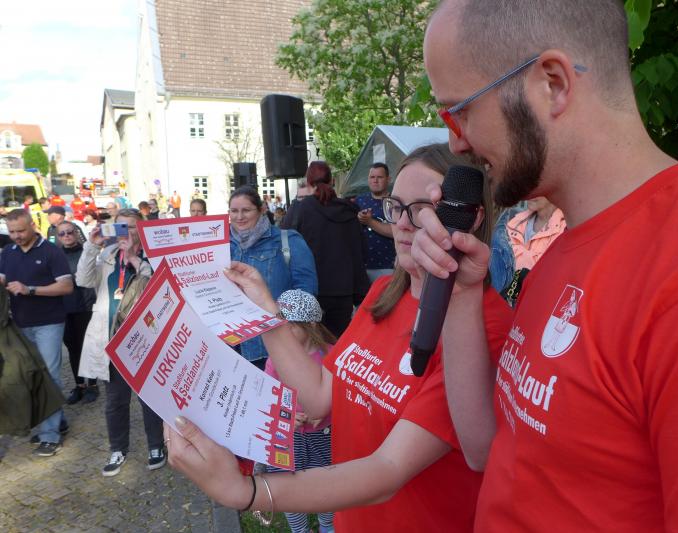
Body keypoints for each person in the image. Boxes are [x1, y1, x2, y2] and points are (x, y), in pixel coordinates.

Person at [411, 1, 678, 531]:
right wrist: (461, 295)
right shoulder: (566, 248)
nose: (455, 142)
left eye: (459, 112)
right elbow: (493, 453)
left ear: (553, 83)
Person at [165, 144, 513, 531]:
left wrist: (247, 491)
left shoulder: (484, 326)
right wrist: (265, 312)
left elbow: (387, 469)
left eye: (422, 210)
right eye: (396, 206)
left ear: (469, 217)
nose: (402, 223)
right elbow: (319, 394)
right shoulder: (383, 294)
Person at [76, 208, 165, 476]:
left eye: (131, 226)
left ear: (142, 229)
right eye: (120, 227)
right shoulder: (107, 256)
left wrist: (136, 259)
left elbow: (156, 288)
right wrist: (91, 246)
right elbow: (83, 280)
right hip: (112, 338)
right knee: (115, 400)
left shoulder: (152, 257)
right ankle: (117, 448)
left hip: (144, 338)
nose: (125, 232)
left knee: (150, 398)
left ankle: (156, 446)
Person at [0, 209, 74, 457]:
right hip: (19, 325)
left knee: (49, 376)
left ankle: (50, 436)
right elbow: (2, 279)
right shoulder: (8, 252)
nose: (17, 236)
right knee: (30, 376)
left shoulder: (51, 251)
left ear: (32, 225)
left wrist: (30, 289)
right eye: (12, 232)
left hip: (48, 323)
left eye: (21, 230)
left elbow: (66, 286)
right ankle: (57, 421)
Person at [263, 289, 336, 533]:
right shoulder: (276, 359)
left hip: (323, 437)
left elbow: (340, 394)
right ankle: (299, 530)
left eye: (290, 326)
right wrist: (285, 417)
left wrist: (324, 411)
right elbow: (268, 396)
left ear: (311, 324)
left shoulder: (331, 355)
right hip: (286, 439)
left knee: (326, 485)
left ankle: (327, 525)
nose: (282, 333)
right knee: (287, 489)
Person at [229, 186, 318, 370]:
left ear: (261, 209)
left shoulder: (288, 240)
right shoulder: (222, 244)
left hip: (272, 344)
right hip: (232, 344)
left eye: (246, 210)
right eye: (234, 211)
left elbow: (306, 293)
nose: (239, 216)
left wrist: (289, 327)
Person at [282, 161, 370, 337]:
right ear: (332, 181)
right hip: (344, 290)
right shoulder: (349, 210)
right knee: (338, 343)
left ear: (309, 182)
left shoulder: (302, 209)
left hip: (313, 289)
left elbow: (285, 243)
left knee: (312, 345)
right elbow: (360, 250)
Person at [56, 221, 98, 404]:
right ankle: (79, 384)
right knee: (73, 347)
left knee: (88, 346)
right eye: (62, 233)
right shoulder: (56, 255)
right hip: (65, 306)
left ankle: (92, 384)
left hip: (86, 304)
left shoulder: (86, 251)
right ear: (58, 237)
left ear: (76, 232)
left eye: (69, 232)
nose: (66, 236)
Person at [355, 163, 397, 283]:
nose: (375, 180)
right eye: (372, 177)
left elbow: (396, 232)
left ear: (388, 179)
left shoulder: (395, 202)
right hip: (362, 266)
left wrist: (369, 222)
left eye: (379, 177)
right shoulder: (359, 200)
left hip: (388, 266)